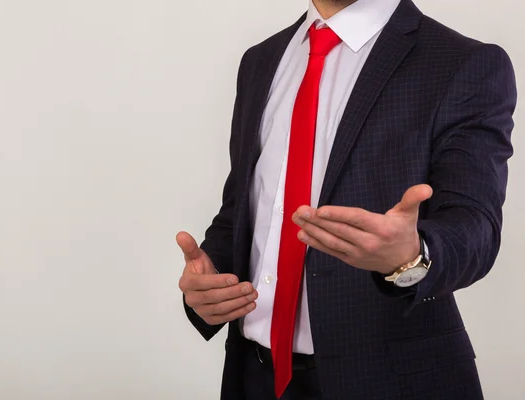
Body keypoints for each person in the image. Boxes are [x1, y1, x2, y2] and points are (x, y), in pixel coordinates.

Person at [177, 0, 517, 398]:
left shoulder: (463, 62)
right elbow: (245, 209)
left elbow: (475, 227)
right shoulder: (260, 60)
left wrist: (411, 256)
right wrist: (209, 282)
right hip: (254, 377)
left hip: (390, 382)